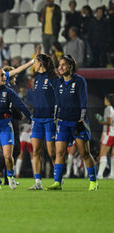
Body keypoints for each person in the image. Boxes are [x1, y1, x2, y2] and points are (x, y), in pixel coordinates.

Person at [46, 55, 98, 191]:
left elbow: (84, 102)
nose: (60, 67)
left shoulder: (79, 81)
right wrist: (55, 119)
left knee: (84, 153)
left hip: (77, 122)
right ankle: (57, 182)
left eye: (63, 65)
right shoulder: (58, 83)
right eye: (59, 65)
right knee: (60, 152)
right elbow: (57, 103)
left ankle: (93, 181)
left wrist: (81, 119)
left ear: (70, 66)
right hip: (63, 122)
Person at [28, 54, 58, 190]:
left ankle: (58, 179)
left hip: (50, 119)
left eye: (34, 62)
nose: (33, 64)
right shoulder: (36, 79)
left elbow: (59, 98)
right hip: (37, 119)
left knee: (51, 152)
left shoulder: (53, 79)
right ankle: (38, 182)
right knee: (36, 151)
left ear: (40, 63)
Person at [97, 94, 114, 179]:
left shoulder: (108, 108)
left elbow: (109, 122)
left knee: (102, 154)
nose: (104, 101)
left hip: (108, 133)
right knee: (112, 155)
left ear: (108, 100)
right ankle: (112, 174)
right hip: (112, 133)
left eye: (105, 99)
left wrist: (101, 122)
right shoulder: (112, 109)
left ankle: (99, 175)